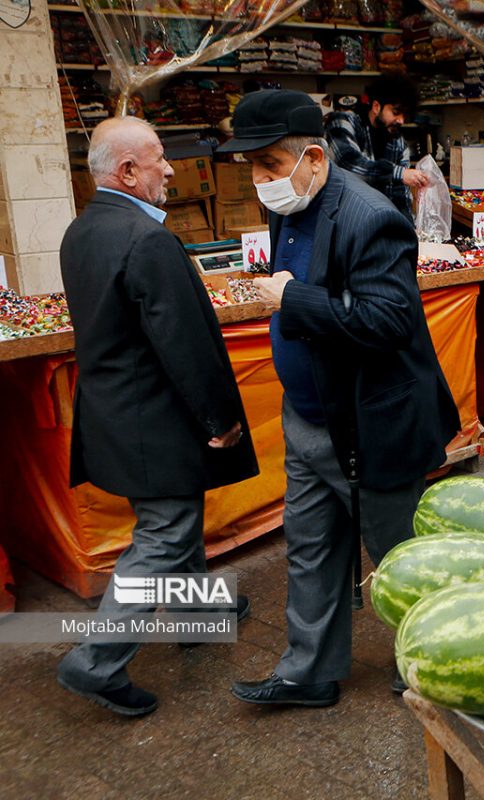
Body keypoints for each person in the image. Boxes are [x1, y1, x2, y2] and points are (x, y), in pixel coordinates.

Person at [220, 91, 460, 707]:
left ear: (313, 159)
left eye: (270, 166)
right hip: (308, 417)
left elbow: (389, 320)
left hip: (370, 420)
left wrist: (291, 300)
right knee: (311, 546)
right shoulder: (288, 209)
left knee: (398, 554)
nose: (261, 181)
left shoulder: (369, 215)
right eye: (253, 168)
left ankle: (432, 663)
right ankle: (310, 672)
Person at [56, 117, 258, 717]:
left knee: (173, 518)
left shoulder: (82, 229)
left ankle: (198, 611)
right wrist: (219, 418)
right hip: (152, 416)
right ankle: (95, 661)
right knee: (165, 533)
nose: (170, 169)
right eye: (159, 159)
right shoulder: (147, 240)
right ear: (127, 172)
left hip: (117, 411)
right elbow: (186, 342)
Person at [325, 78, 427, 220]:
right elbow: (348, 164)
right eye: (396, 112)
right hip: (342, 219)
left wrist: (408, 230)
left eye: (405, 115)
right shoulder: (343, 122)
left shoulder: (398, 143)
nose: (401, 120)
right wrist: (398, 173)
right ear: (376, 106)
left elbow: (401, 197)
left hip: (377, 223)